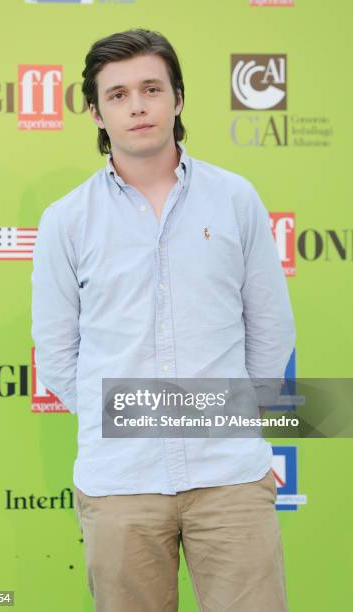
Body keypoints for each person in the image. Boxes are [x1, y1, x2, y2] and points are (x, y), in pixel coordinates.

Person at [31, 28, 295, 612]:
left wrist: (231, 413)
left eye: (151, 88)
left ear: (177, 98)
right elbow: (55, 353)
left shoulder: (234, 200)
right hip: (120, 482)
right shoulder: (66, 221)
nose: (138, 105)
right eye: (118, 94)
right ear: (96, 112)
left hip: (229, 474)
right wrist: (119, 420)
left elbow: (270, 326)